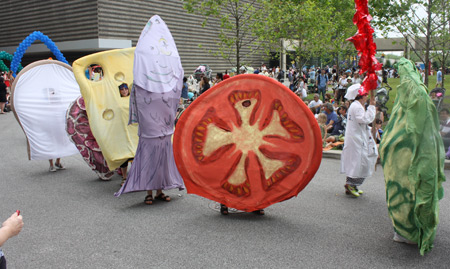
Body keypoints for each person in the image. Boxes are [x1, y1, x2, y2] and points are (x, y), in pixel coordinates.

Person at [379, 58, 445, 255]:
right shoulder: (404, 106)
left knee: (417, 195)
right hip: (401, 169)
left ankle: (414, 232)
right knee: (405, 197)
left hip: (419, 161)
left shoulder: (419, 102)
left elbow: (421, 134)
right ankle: (406, 231)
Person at [340, 83, 377, 197]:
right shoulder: (356, 106)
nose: (366, 97)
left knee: (357, 163)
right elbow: (364, 119)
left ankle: (352, 185)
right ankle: (350, 184)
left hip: (358, 138)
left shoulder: (356, 106)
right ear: (361, 96)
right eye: (365, 95)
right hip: (356, 140)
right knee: (359, 163)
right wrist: (371, 107)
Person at [118, 83, 134, 186]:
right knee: (123, 155)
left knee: (134, 153)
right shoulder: (117, 100)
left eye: (126, 89)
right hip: (121, 131)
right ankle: (124, 177)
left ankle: (135, 176)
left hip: (132, 130)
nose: (124, 91)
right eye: (122, 89)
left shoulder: (132, 100)